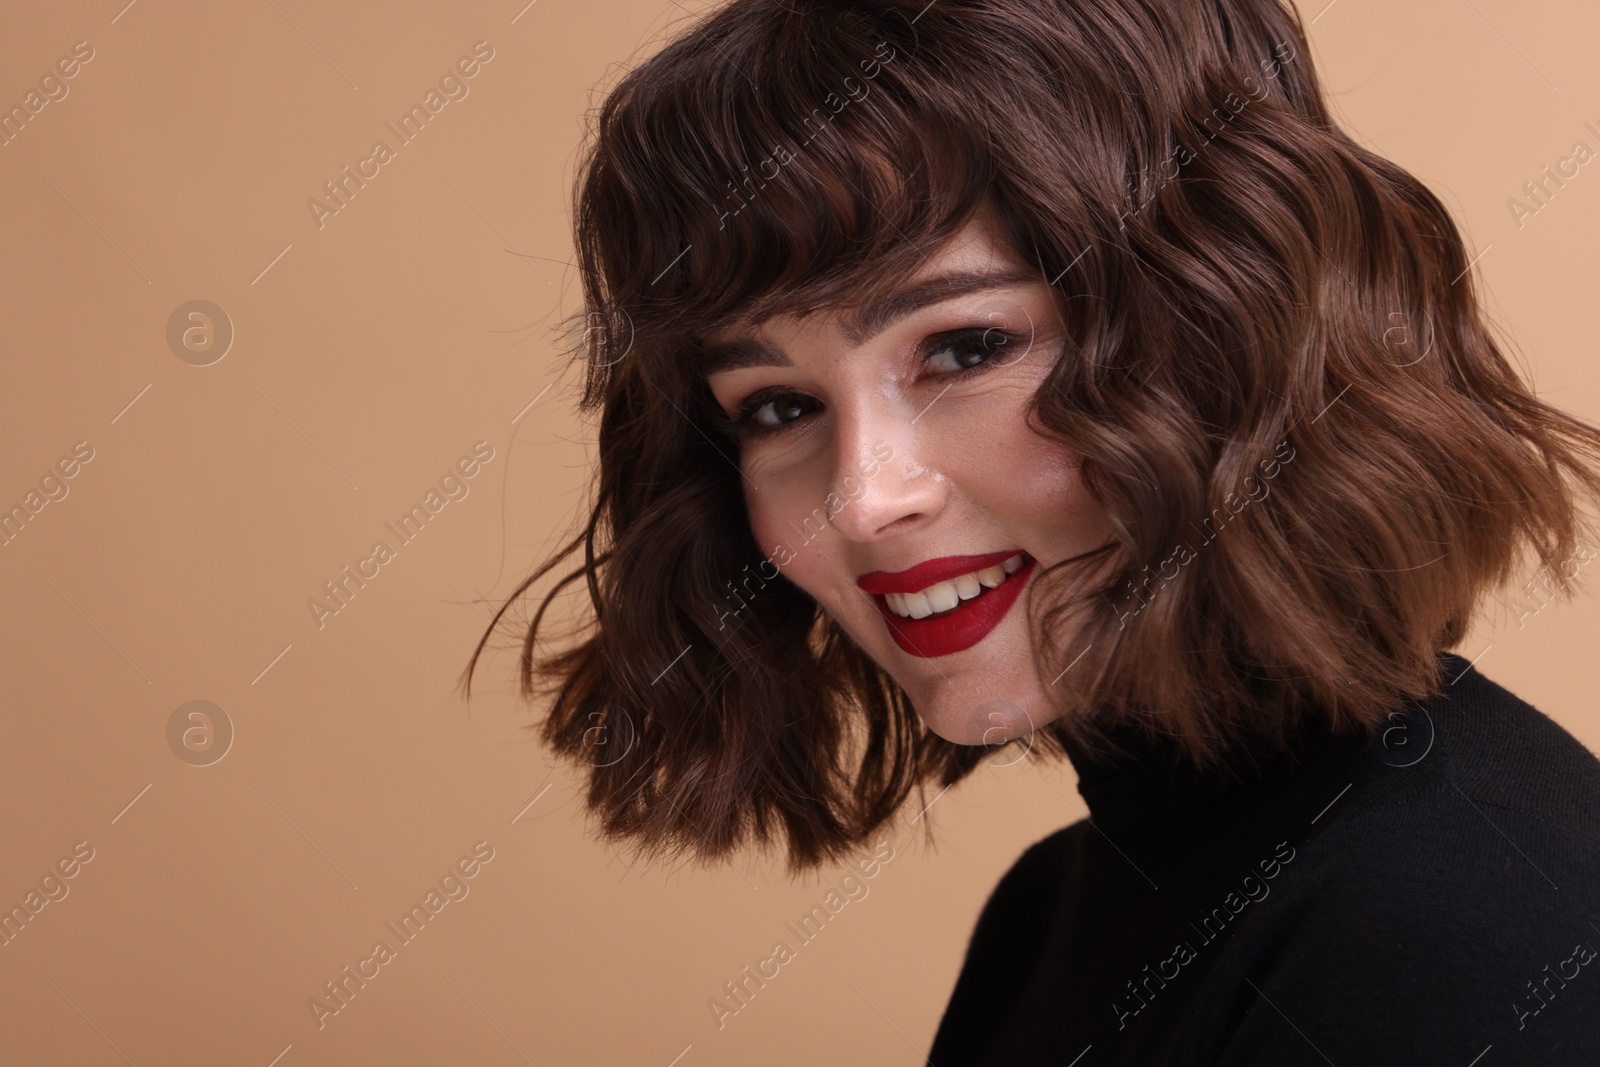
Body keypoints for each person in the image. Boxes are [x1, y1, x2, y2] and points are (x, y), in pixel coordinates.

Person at [463, 0, 1600, 1061]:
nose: (862, 497)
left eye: (961, 348)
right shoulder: (1048, 918)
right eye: (779, 406)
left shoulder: (1458, 928)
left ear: (1227, 327)